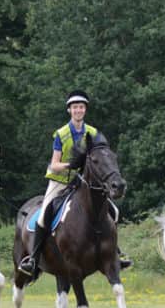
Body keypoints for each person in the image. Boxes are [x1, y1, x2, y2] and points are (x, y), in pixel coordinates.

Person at [17, 91, 131, 276]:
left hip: (84, 183)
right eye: (75, 107)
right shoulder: (61, 134)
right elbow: (54, 165)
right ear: (69, 110)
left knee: (113, 212)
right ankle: (33, 258)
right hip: (60, 181)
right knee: (43, 215)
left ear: (85, 110)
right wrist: (72, 165)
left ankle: (115, 253)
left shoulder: (93, 133)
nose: (78, 110)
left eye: (81, 107)